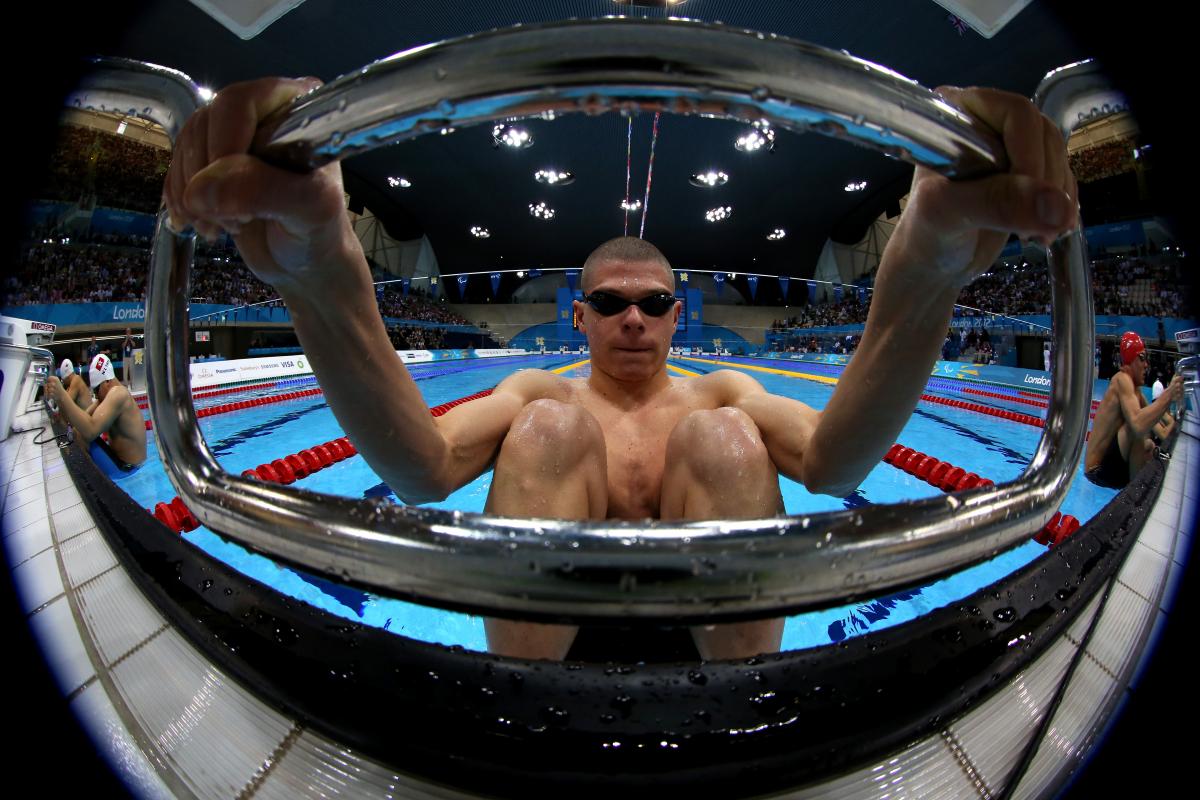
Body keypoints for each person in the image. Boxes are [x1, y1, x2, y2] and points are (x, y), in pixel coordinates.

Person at [163, 78, 1078, 661]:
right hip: (540, 648)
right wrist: (324, 277)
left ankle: (747, 710)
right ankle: (522, 718)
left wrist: (924, 272)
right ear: (579, 315)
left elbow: (836, 464)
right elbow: (420, 467)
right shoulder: (540, 390)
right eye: (608, 303)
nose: (632, 317)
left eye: (652, 303)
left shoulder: (725, 390)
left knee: (722, 437)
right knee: (552, 428)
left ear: (682, 316)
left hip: (727, 650)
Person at [1085, 332, 1182, 489]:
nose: (1146, 365)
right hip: (1097, 471)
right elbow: (1137, 425)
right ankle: (1135, 493)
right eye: (1142, 358)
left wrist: (1173, 405)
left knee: (1150, 444)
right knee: (1137, 429)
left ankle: (1144, 484)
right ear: (1130, 361)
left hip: (1115, 469)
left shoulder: (1137, 393)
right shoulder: (1120, 380)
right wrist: (1169, 394)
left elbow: (1163, 432)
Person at [45, 353, 147, 477]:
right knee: (78, 432)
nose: (96, 395)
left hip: (128, 470)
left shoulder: (119, 394)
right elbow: (80, 420)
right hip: (120, 463)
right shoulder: (105, 397)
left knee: (82, 436)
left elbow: (90, 431)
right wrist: (59, 400)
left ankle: (88, 481)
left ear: (107, 382)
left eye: (97, 389)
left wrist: (62, 394)